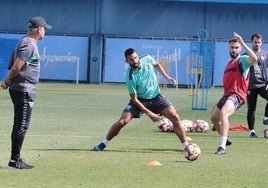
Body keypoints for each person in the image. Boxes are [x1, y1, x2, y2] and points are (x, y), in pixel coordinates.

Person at [93, 48, 190, 153]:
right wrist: (150, 114)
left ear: (138, 56)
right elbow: (134, 99)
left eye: (135, 58)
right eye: (131, 60)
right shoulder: (130, 76)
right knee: (122, 122)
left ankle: (186, 147)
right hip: (139, 100)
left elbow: (157, 64)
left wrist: (167, 77)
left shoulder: (147, 58)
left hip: (156, 96)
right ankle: (104, 143)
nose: (135, 61)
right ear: (127, 61)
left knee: (175, 117)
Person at [1, 16, 52, 169]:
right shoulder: (29, 44)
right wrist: (7, 82)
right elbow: (16, 67)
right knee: (22, 125)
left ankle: (15, 159)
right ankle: (14, 160)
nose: (45, 31)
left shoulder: (24, 41)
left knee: (19, 125)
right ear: (38, 29)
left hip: (22, 89)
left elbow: (11, 61)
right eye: (44, 28)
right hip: (23, 90)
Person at [210, 32, 257, 155]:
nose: (234, 49)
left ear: (240, 48)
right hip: (227, 95)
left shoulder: (242, 60)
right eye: (232, 47)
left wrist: (242, 42)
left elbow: (254, 58)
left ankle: (222, 147)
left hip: (237, 95)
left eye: (237, 47)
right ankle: (226, 140)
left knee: (224, 113)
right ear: (228, 47)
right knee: (214, 118)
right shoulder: (228, 64)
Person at [246, 33, 268, 138]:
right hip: (251, 86)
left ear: (261, 43)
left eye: (259, 42)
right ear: (251, 42)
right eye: (255, 42)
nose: (257, 44)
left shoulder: (266, 54)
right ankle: (252, 132)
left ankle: (266, 117)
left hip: (263, 84)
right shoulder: (246, 55)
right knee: (251, 109)